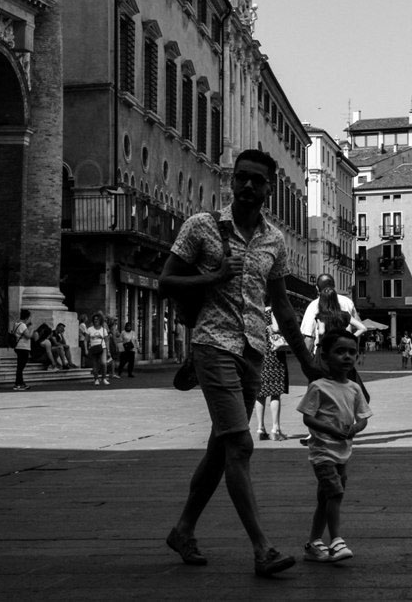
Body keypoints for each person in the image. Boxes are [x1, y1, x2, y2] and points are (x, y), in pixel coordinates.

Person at [160, 148, 315, 577]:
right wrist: (212, 277)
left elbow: (282, 307)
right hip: (212, 345)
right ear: (232, 181)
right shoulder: (202, 226)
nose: (248, 186)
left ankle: (184, 529)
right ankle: (262, 548)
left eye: (257, 180)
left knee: (220, 448)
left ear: (268, 188)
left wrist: (308, 361)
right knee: (241, 444)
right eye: (242, 178)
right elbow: (166, 280)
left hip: (253, 350)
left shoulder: (274, 240)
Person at [298, 329, 372, 563]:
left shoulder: (354, 388)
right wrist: (330, 429)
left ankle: (313, 543)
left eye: (352, 352)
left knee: (325, 498)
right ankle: (337, 541)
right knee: (335, 493)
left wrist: (355, 428)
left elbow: (363, 417)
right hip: (322, 452)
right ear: (325, 356)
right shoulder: (318, 387)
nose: (347, 357)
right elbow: (307, 417)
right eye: (340, 352)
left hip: (342, 453)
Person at [299, 273, 361, 354]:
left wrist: (306, 361)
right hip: (344, 353)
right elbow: (358, 327)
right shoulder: (348, 302)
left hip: (324, 354)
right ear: (334, 286)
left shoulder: (313, 305)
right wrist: (353, 349)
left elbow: (309, 336)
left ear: (317, 288)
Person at [255, 307, 290, 442]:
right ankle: (275, 429)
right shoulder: (273, 310)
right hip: (274, 354)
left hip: (260, 353)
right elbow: (276, 328)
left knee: (260, 393)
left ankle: (260, 428)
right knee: (275, 393)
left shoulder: (256, 308)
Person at [10, 310, 33, 391]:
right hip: (23, 347)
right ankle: (18, 384)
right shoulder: (23, 325)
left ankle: (20, 383)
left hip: (18, 347)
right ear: (27, 317)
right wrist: (31, 329)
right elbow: (28, 336)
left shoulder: (16, 324)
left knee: (20, 366)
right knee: (21, 367)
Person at [86, 313, 110, 386]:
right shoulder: (89, 329)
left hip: (102, 348)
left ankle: (104, 378)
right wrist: (86, 349)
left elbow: (106, 341)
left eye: (97, 319)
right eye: (95, 319)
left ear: (100, 320)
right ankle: (96, 379)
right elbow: (85, 340)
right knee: (95, 364)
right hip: (93, 348)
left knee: (104, 363)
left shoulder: (103, 330)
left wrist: (108, 350)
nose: (96, 321)